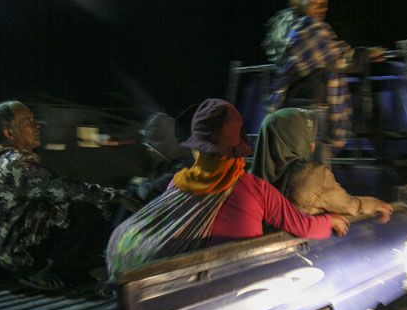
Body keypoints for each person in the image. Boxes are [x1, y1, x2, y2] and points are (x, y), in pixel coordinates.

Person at [107, 99, 349, 274]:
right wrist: (330, 221)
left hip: (179, 285)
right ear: (237, 150)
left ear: (197, 150)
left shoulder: (178, 184)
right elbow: (304, 227)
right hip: (237, 282)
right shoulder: (255, 189)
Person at [0, 101, 119, 290]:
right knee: (88, 208)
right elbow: (65, 188)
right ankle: (43, 271)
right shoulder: (15, 163)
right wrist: (114, 196)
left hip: (12, 247)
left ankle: (73, 264)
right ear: (9, 133)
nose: (36, 125)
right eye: (27, 121)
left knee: (73, 206)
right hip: (22, 255)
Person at [263, 0, 385, 162]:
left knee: (291, 172)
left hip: (288, 114)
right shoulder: (311, 29)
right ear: (296, 4)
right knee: (315, 177)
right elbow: (342, 60)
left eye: (324, 3)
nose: (322, 9)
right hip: (312, 114)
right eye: (314, 3)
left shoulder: (285, 31)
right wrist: (366, 55)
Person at [252, 108, 393, 222]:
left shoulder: (246, 181)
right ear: (296, 139)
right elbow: (348, 205)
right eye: (307, 137)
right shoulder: (311, 176)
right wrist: (376, 205)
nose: (312, 146)